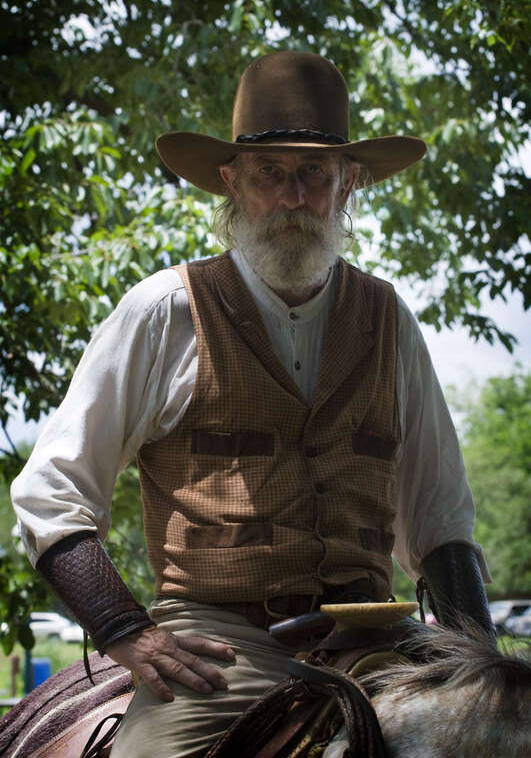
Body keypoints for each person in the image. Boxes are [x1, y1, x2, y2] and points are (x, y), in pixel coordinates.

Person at [11, 51, 494, 757]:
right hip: (221, 646)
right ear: (232, 183)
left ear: (348, 183)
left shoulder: (389, 320)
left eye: (314, 174)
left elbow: (441, 519)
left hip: (375, 641)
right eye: (269, 173)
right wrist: (126, 631)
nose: (292, 198)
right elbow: (52, 493)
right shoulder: (164, 312)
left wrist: (479, 668)